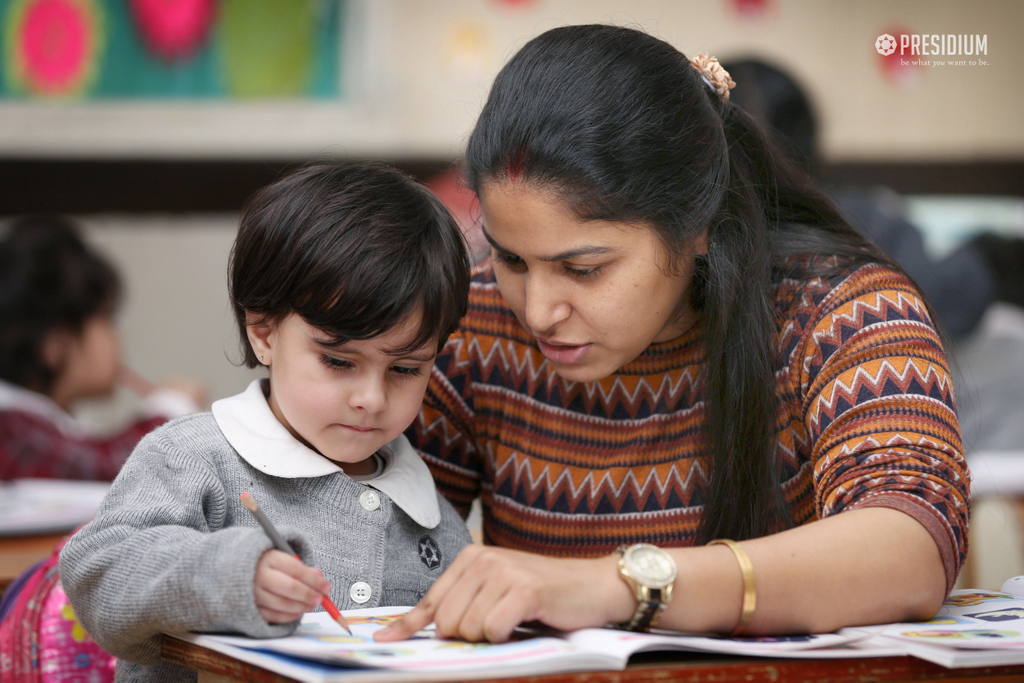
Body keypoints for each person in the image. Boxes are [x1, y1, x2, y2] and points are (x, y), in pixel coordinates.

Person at [375, 25, 969, 644]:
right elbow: (372, 525)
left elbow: (911, 547)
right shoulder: (476, 326)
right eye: (512, 261)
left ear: (699, 226)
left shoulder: (841, 312)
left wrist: (618, 588)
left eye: (583, 269)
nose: (540, 311)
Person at [58, 162, 473, 681]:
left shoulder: (429, 510)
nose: (371, 398)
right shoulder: (194, 458)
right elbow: (99, 569)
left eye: (406, 369)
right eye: (339, 362)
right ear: (264, 332)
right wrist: (230, 575)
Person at [721, 57, 1024, 339]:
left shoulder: (696, 231)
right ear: (809, 140)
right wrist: (992, 255)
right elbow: (940, 296)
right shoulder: (858, 218)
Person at [0, 215, 204, 481]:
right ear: (55, 346)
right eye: (106, 319)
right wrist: (170, 410)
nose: (118, 338)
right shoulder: (12, 431)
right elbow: (113, 467)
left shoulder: (43, 428)